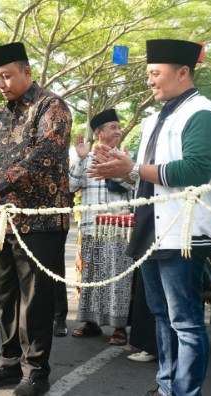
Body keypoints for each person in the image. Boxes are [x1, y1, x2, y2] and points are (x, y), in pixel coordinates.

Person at [88, 39, 211, 396]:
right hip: (150, 228)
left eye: (155, 73)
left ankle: (185, 391)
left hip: (183, 232)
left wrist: (132, 166)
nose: (149, 81)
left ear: (183, 72)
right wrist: (119, 170)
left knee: (186, 321)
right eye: (148, 73)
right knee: (161, 315)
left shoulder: (203, 113)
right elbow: (146, 176)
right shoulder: (154, 119)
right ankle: (167, 385)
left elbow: (196, 169)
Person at [0, 42, 72, 396]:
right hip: (3, 221)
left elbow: (48, 151)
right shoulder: (0, 117)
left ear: (27, 72)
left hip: (41, 221)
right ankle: (8, 361)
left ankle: (36, 372)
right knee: (5, 295)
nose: (1, 84)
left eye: (7, 76)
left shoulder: (52, 106)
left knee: (36, 299)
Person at [69, 109, 134, 345]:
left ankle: (119, 327)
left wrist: (119, 169)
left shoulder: (126, 157)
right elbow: (69, 186)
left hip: (117, 226)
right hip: (89, 226)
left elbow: (135, 187)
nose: (118, 131)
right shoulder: (83, 157)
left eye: (119, 127)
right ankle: (91, 323)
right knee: (90, 275)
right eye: (113, 127)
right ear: (99, 132)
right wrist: (80, 158)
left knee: (118, 276)